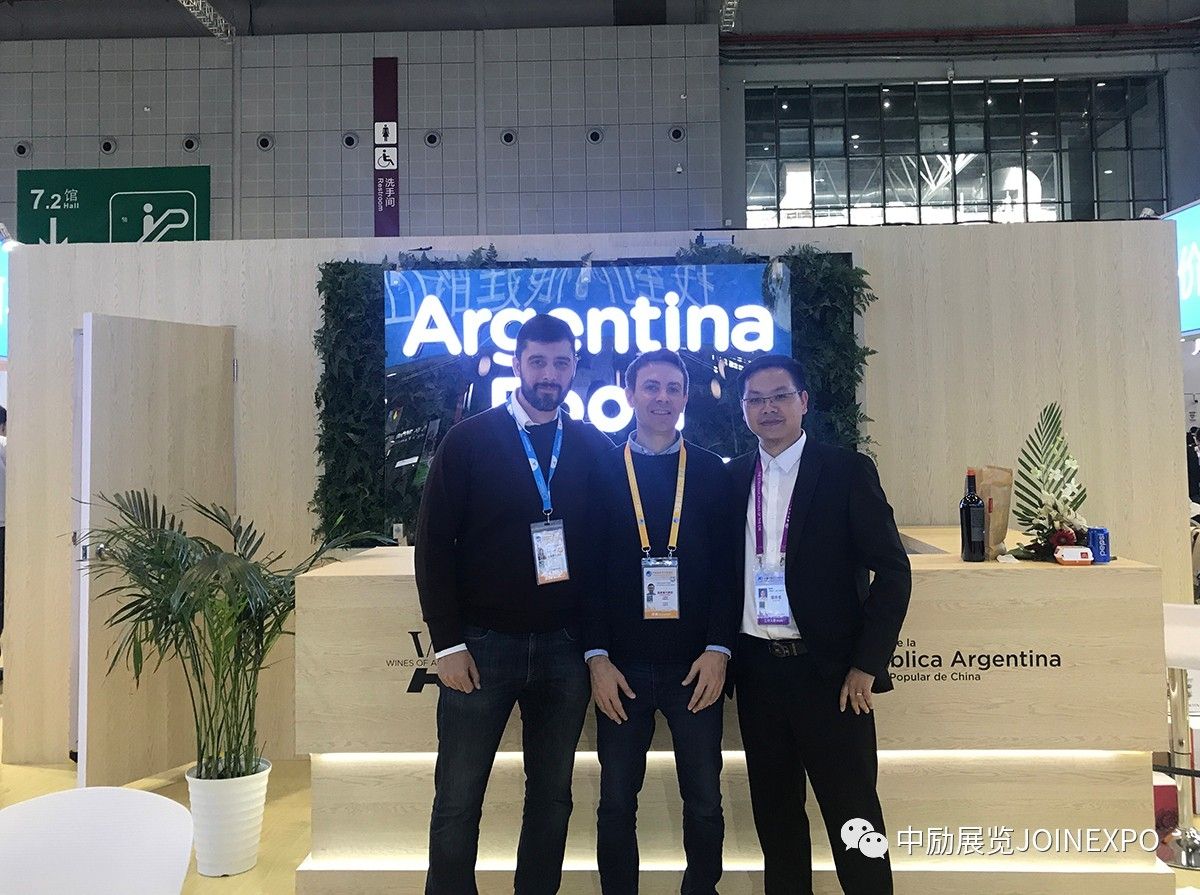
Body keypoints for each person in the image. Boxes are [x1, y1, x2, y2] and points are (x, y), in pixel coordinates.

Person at [415, 314, 613, 895]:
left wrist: (597, 647)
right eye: (538, 361)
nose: (549, 373)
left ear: (574, 368)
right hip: (481, 647)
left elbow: (607, 550)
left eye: (561, 362)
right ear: (516, 364)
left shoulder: (592, 446)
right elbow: (433, 545)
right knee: (458, 797)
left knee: (552, 797)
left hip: (565, 651)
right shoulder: (469, 441)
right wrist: (447, 644)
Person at [730, 355, 910, 895]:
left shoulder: (845, 470)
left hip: (831, 677)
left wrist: (866, 665)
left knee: (855, 818)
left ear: (803, 401)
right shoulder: (732, 477)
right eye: (756, 399)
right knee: (777, 821)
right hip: (759, 674)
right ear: (743, 409)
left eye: (779, 396)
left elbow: (893, 571)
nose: (768, 408)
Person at [583, 349, 739, 895]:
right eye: (651, 387)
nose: (662, 398)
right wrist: (596, 658)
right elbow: (589, 571)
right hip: (621, 670)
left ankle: (702, 889)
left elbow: (728, 571)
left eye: (673, 388)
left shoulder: (711, 471)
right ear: (629, 395)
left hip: (695, 669)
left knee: (705, 800)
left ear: (686, 397)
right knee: (615, 801)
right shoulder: (602, 469)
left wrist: (719, 648)